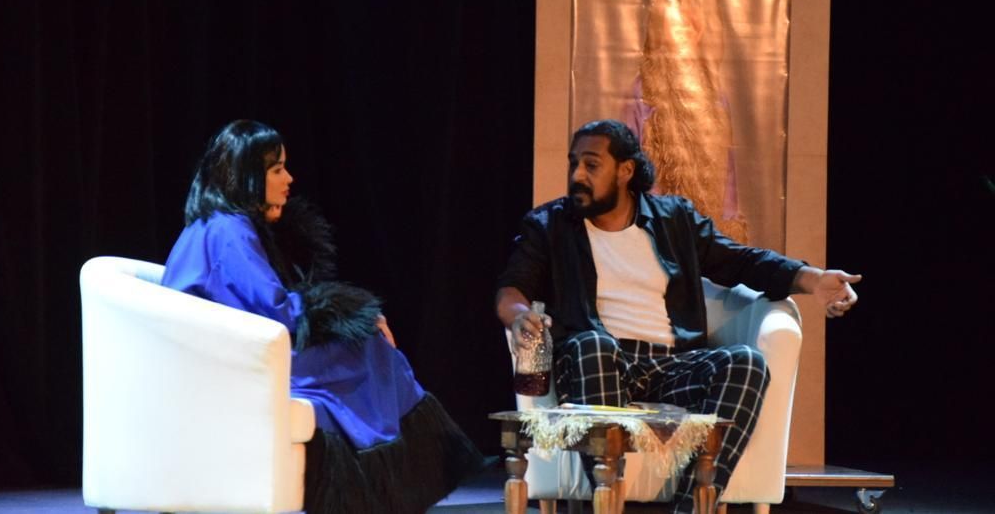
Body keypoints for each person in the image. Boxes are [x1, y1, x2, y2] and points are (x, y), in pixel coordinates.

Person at [495, 119, 860, 513]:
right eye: (574, 164)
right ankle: (608, 504)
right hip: (598, 362)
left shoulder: (674, 219)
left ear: (625, 170)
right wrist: (518, 317)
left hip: (670, 365)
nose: (577, 175)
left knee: (746, 362)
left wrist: (812, 279)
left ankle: (690, 508)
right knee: (592, 345)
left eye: (591, 165)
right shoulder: (549, 225)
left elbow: (740, 262)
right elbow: (512, 288)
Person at [162, 120, 482, 514]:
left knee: (364, 346)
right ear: (246, 175)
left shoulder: (213, 224)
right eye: (277, 170)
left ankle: (377, 484)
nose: (289, 179)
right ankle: (384, 482)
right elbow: (277, 310)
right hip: (236, 363)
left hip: (226, 354)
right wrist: (355, 317)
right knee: (368, 349)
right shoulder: (230, 231)